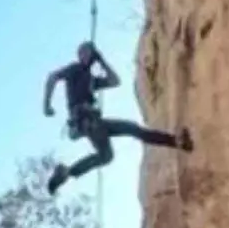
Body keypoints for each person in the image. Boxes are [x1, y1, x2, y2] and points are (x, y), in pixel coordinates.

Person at [42, 41, 190, 196]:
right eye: (86, 52)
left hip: (94, 122)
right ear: (80, 55)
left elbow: (115, 81)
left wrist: (102, 61)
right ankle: (177, 141)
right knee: (117, 145)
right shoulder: (74, 69)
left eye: (91, 53)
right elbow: (52, 77)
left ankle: (177, 141)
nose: (89, 56)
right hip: (87, 120)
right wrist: (46, 105)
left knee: (125, 137)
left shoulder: (91, 79)